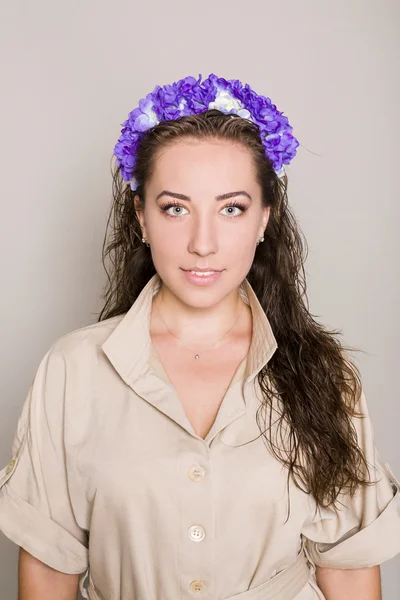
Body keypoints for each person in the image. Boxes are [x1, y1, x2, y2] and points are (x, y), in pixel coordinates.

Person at [0, 73, 399, 600]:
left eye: (230, 208)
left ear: (264, 219)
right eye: (175, 208)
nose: (203, 243)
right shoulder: (73, 369)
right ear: (141, 216)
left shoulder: (327, 375)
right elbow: (50, 573)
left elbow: (348, 570)